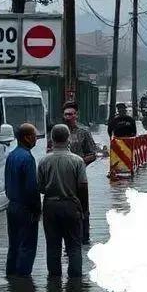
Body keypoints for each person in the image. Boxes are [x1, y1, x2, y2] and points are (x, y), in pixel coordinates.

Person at [38, 124, 89, 277]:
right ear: (68, 139)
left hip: (50, 207)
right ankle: (75, 286)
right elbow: (83, 187)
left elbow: (40, 188)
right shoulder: (78, 161)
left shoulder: (43, 161)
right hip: (72, 206)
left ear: (52, 140)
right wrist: (84, 211)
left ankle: (54, 285)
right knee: (74, 247)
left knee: (53, 247)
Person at [60, 101, 100, 245]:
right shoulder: (58, 132)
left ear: (76, 115)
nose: (68, 117)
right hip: (61, 178)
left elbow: (93, 154)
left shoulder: (83, 132)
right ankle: (67, 238)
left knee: (83, 207)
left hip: (79, 177)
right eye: (65, 114)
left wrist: (80, 163)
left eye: (70, 114)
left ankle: (84, 237)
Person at [4, 123, 41, 277]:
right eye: (34, 136)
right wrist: (37, 209)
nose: (36, 139)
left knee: (14, 245)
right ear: (26, 138)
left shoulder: (11, 156)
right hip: (25, 208)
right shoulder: (28, 158)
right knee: (27, 245)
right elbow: (32, 188)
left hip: (12, 206)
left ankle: (11, 279)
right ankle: (23, 284)